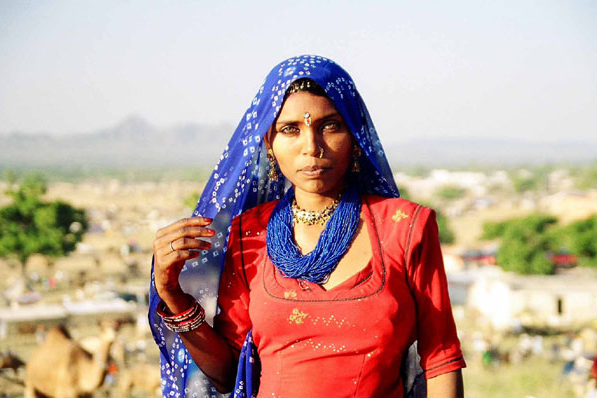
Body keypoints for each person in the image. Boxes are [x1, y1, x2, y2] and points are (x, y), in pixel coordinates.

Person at [149, 55, 466, 398]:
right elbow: (227, 376)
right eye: (290, 129)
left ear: (356, 135)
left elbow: (441, 360)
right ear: (268, 142)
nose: (311, 147)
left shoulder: (405, 228)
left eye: (330, 126)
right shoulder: (249, 234)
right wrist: (173, 295)